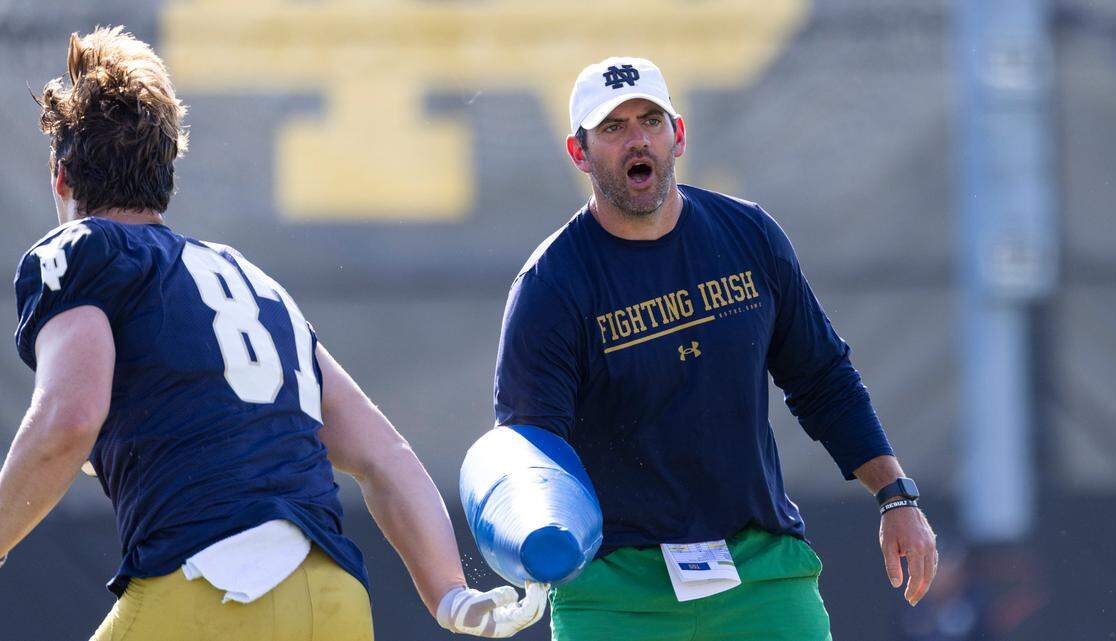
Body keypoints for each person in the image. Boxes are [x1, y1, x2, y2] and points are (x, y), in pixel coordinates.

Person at [0, 26, 544, 641]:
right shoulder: (250, 280)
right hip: (334, 603)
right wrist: (449, 593)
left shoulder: (81, 251)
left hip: (209, 591)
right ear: (166, 170)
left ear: (61, 174)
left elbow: (66, 422)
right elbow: (383, 455)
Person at [492, 56, 939, 640]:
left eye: (650, 121)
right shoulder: (551, 286)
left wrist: (895, 496)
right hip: (615, 590)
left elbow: (822, 378)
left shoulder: (749, 236)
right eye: (612, 128)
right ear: (579, 153)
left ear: (678, 133)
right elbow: (529, 450)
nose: (637, 141)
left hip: (758, 574)